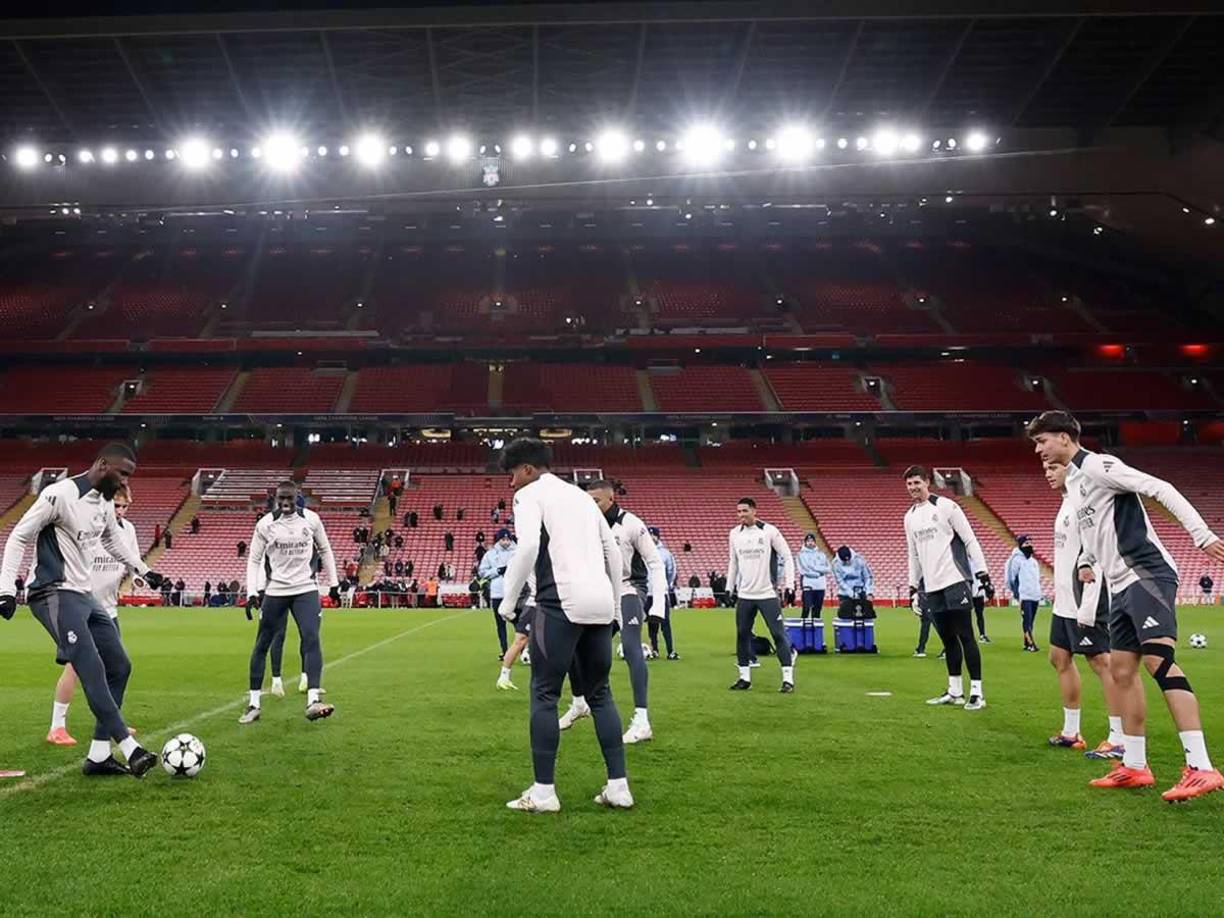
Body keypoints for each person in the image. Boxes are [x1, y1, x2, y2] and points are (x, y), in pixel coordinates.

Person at [1029, 409, 1224, 801]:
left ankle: (1201, 767)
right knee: (1121, 670)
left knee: (1159, 661)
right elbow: (1095, 537)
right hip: (1118, 585)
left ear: (1065, 437)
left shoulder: (1099, 465)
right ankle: (1135, 766)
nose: (1039, 449)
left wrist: (1201, 535)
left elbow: (1160, 487)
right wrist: (1086, 561)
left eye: (1042, 440)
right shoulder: (1078, 486)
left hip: (1146, 574)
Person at [0, 442, 166, 777]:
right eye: (122, 473)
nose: (123, 482)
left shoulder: (104, 501)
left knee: (119, 666)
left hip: (84, 595)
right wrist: (5, 590)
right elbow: (18, 536)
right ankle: (131, 750)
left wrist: (143, 569)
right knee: (89, 664)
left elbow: (111, 540)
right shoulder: (59, 495)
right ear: (103, 464)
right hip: (52, 593)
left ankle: (99, 756)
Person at [496, 438, 632, 812]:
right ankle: (618, 786)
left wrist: (509, 603)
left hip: (560, 602)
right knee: (600, 693)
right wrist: (616, 605)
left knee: (543, 693)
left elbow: (526, 549)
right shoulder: (580, 497)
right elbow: (612, 553)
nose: (510, 484)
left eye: (512, 474)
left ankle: (543, 793)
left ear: (526, 469)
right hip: (600, 602)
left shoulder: (529, 495)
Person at [563, 481, 666, 745]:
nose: (591, 506)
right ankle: (579, 704)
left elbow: (655, 562)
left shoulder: (631, 523)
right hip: (601, 593)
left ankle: (642, 720)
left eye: (596, 500)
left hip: (629, 589)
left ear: (611, 498)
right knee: (574, 648)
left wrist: (658, 604)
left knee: (631, 647)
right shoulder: (586, 526)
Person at [46, 483, 144, 746]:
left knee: (115, 667)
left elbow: (130, 559)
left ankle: (113, 723)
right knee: (74, 667)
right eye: (117, 505)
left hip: (107, 610)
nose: (121, 510)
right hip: (79, 608)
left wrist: (136, 577)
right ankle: (57, 726)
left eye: (125, 506)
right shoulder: (87, 527)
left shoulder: (128, 530)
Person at [238, 480, 341, 726]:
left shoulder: (312, 520)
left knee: (311, 637)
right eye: (281, 499)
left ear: (298, 498)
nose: (285, 504)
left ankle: (313, 700)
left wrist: (334, 583)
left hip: (305, 589)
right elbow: (254, 559)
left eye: (290, 499)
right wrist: (253, 591)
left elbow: (325, 550)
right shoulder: (265, 525)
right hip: (276, 591)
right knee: (263, 642)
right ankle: (254, 704)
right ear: (275, 499)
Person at [1042, 460, 1124, 759]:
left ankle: (1118, 738)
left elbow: (1098, 549)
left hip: (1087, 597)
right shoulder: (1067, 502)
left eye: (1053, 468)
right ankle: (1071, 731)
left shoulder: (1085, 500)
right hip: (1064, 600)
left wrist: (1091, 599)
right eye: (1045, 469)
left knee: (1101, 662)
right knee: (1059, 656)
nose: (1048, 473)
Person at [903, 465, 993, 711]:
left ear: (927, 482)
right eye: (909, 484)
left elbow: (970, 539)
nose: (913, 488)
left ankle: (977, 692)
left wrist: (983, 572)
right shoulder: (909, 517)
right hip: (932, 587)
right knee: (947, 638)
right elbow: (913, 555)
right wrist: (913, 587)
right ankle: (955, 691)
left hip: (955, 580)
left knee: (965, 635)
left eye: (917, 483)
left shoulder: (946, 507)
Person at [727, 497, 796, 693]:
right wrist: (729, 587)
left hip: (767, 593)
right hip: (745, 594)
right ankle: (744, 678)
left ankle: (788, 679)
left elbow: (787, 556)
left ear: (754, 511)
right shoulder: (734, 534)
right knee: (742, 635)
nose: (741, 515)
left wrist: (789, 584)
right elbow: (733, 562)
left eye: (745, 511)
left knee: (778, 634)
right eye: (738, 511)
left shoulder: (769, 531)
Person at [479, 529, 517, 657]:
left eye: (507, 539)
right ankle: (505, 650)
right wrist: (498, 571)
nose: (505, 542)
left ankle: (522, 650)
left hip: (515, 591)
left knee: (518, 623)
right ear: (499, 540)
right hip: (497, 592)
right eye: (503, 539)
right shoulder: (490, 554)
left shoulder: (517, 552)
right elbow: (482, 572)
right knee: (500, 624)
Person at [646, 527, 679, 660]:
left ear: (658, 537)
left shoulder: (665, 553)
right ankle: (654, 650)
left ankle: (670, 651)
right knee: (651, 624)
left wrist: (665, 585)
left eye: (653, 535)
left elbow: (671, 572)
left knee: (665, 624)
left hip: (660, 593)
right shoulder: (643, 552)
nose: (651, 538)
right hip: (647, 593)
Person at [1016, 540, 1042, 652]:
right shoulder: (1017, 561)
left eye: (1030, 543)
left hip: (1035, 596)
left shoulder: (1034, 562)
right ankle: (1031, 644)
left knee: (1031, 621)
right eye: (1026, 543)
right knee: (1027, 620)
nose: (1029, 545)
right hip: (1025, 596)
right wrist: (1017, 594)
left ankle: (1026, 643)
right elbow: (1011, 578)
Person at [796, 533, 830, 621]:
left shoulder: (821, 554)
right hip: (808, 584)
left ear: (815, 542)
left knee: (817, 610)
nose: (810, 543)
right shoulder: (801, 555)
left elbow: (828, 568)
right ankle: (803, 628)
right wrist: (818, 573)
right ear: (805, 543)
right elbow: (803, 570)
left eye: (812, 541)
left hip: (820, 585)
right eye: (808, 541)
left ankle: (815, 631)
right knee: (806, 608)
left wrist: (814, 568)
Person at [831, 545, 873, 611]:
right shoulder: (835, 564)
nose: (847, 562)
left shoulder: (859, 559)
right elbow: (840, 582)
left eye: (849, 560)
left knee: (864, 615)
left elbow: (867, 577)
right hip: (845, 593)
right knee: (846, 616)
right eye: (845, 561)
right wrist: (852, 594)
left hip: (861, 591)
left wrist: (869, 592)